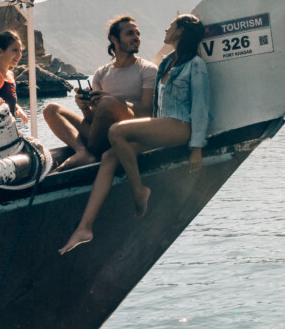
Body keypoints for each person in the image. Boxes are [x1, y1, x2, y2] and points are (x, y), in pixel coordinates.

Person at [59, 14, 209, 254]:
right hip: (161, 125)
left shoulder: (195, 65)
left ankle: (139, 190)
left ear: (180, 32)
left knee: (117, 131)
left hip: (180, 126)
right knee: (109, 157)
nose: (166, 28)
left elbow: (201, 107)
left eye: (171, 26)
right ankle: (85, 228)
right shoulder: (167, 62)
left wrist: (197, 147)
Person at [44, 15, 157, 171]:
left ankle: (90, 152)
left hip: (129, 132)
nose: (137, 38)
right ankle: (83, 153)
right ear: (114, 39)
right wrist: (84, 107)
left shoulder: (148, 70)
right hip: (100, 134)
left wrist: (113, 102)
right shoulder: (101, 73)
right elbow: (94, 118)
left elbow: (147, 112)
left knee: (107, 103)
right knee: (51, 109)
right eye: (130, 33)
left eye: (138, 34)